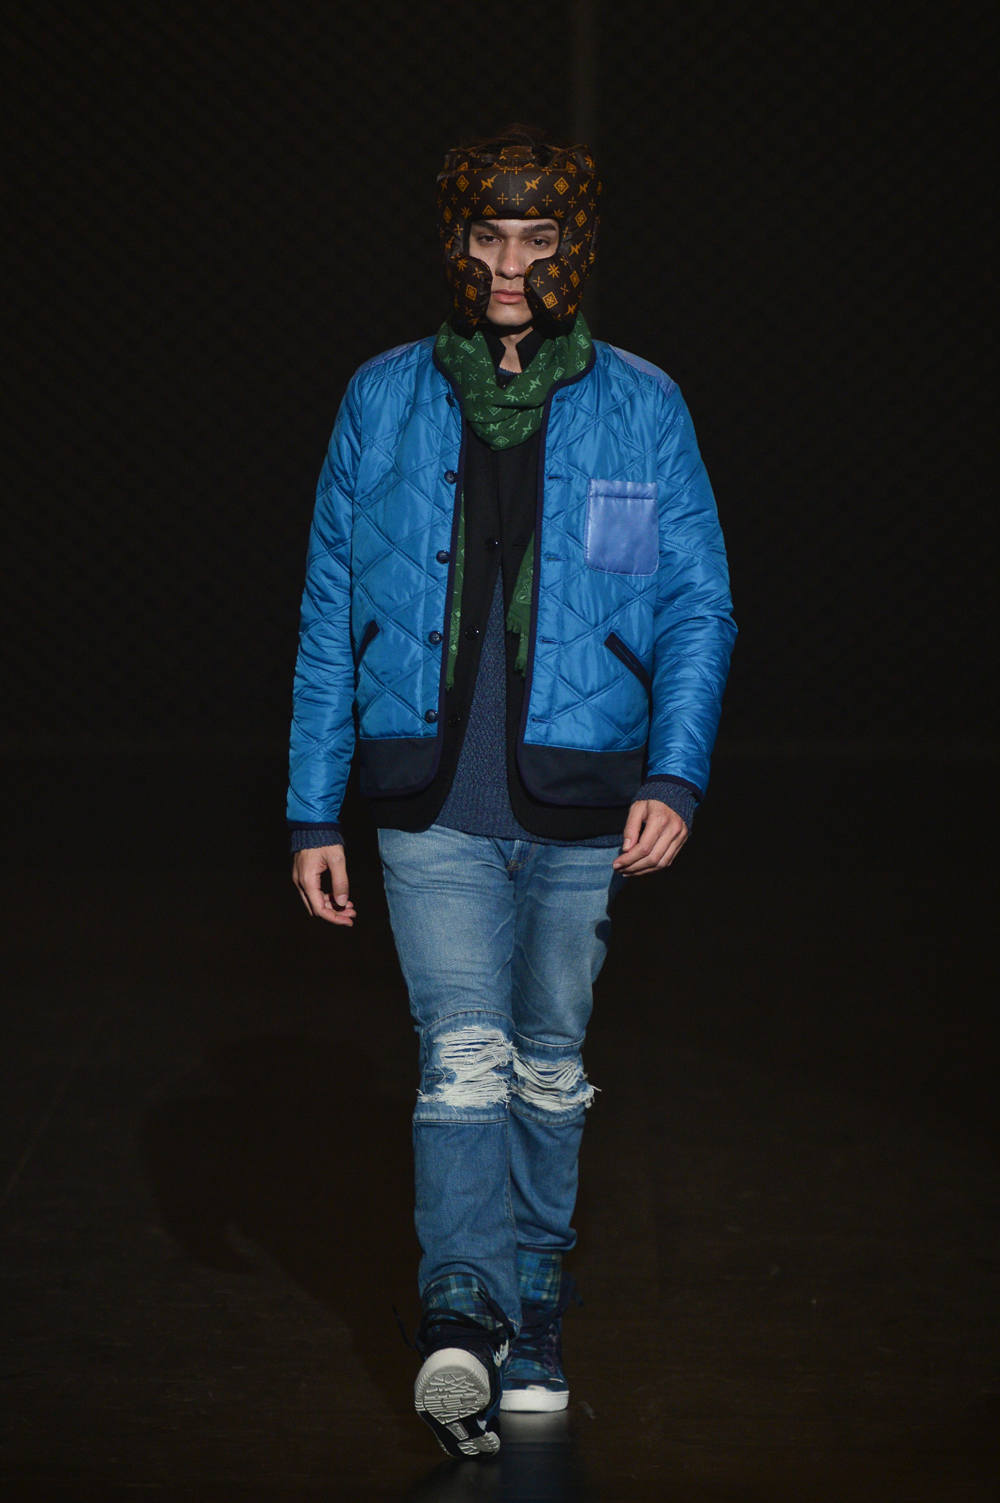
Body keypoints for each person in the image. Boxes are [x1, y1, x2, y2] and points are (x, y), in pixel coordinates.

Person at [287, 125, 736, 1459]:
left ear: (574, 248)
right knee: (463, 1058)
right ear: (453, 240)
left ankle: (536, 1300)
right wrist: (313, 808)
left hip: (586, 798)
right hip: (426, 796)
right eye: (486, 235)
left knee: (548, 1063)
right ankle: (462, 1312)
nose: (508, 263)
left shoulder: (642, 403)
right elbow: (329, 610)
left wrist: (677, 771)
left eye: (537, 239)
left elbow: (697, 605)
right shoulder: (381, 397)